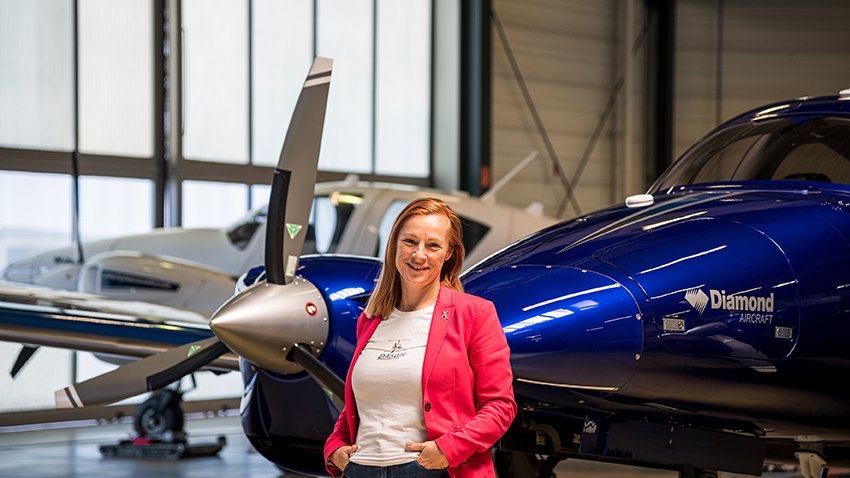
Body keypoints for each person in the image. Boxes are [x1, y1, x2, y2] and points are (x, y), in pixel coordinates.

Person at [324, 197, 517, 478]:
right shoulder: (370, 320)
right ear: (394, 244)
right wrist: (334, 447)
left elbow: (500, 406)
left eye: (433, 245)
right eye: (410, 242)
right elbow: (364, 402)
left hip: (435, 470)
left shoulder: (475, 314)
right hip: (362, 469)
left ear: (449, 253)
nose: (419, 255)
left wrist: (448, 450)